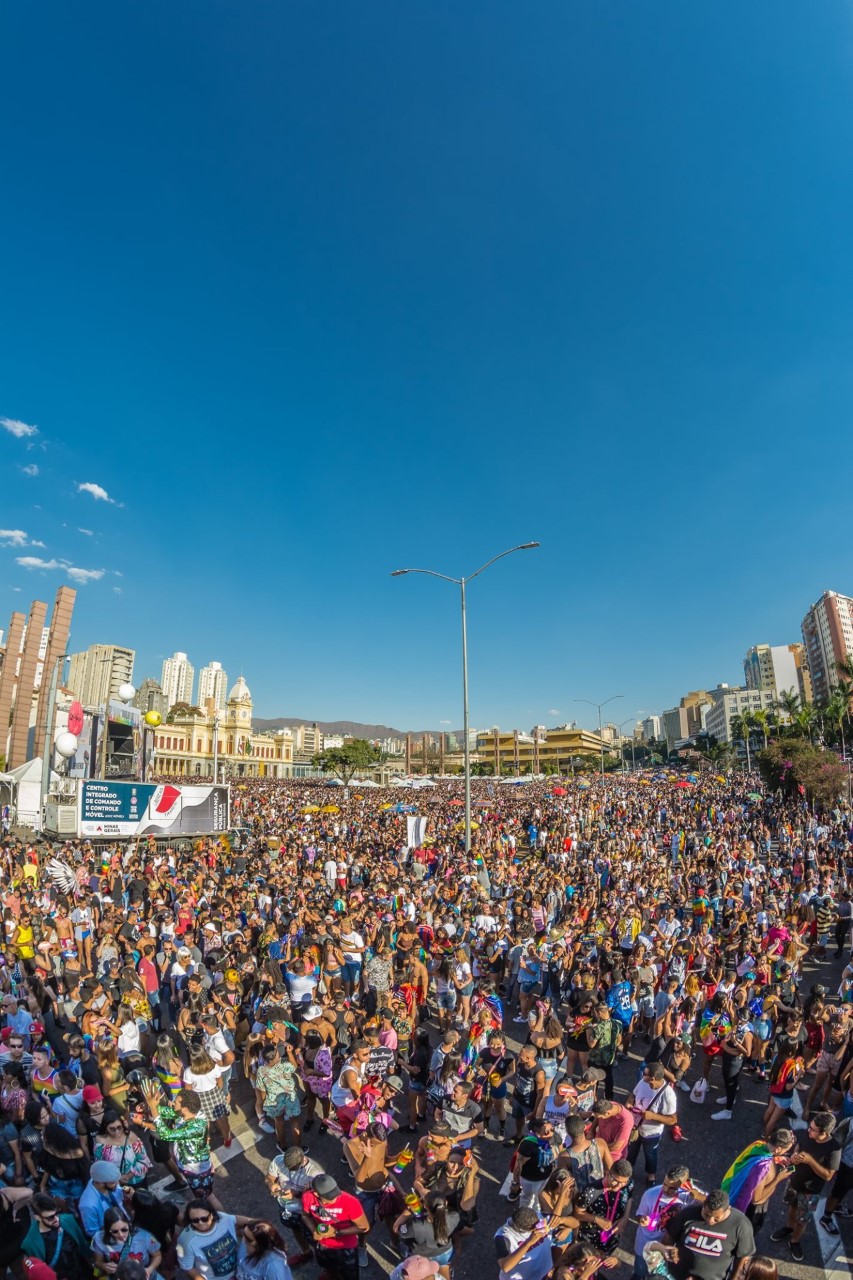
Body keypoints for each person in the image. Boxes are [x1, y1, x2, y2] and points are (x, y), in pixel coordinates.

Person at [771, 1111, 842, 1260]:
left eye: (813, 1129)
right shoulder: (807, 1134)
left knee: (802, 1220)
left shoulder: (834, 1149)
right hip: (794, 1182)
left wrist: (810, 1161)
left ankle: (795, 1241)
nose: (808, 1130)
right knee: (792, 1206)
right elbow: (798, 1147)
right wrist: (794, 1156)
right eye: (810, 1127)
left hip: (810, 1191)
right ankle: (788, 1228)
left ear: (824, 1132)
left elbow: (828, 1175)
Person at [664, 1188, 755, 1280]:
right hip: (677, 1276)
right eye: (706, 1214)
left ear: (728, 1209)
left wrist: (734, 1278)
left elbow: (744, 1257)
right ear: (703, 1204)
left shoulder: (740, 1224)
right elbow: (669, 1237)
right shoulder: (687, 1214)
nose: (710, 1220)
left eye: (716, 1218)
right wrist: (664, 1258)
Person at [300, 1173, 369, 1280]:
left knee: (350, 1276)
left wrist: (336, 1232)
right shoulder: (308, 1197)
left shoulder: (350, 1202)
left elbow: (364, 1227)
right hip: (323, 1245)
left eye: (335, 1193)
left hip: (346, 1246)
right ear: (316, 1194)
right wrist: (314, 1231)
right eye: (329, 1197)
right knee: (329, 1269)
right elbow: (305, 1216)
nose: (335, 1198)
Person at [177, 1198, 260, 1280]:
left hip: (242, 1271)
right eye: (195, 1220)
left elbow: (251, 1222)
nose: (200, 1223)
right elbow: (188, 1268)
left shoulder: (223, 1219)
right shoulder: (185, 1240)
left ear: (212, 1215)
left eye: (204, 1219)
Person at [20, 1192, 92, 1280]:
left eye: (57, 1213)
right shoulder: (30, 1243)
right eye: (50, 1217)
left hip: (84, 1273)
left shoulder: (68, 1220)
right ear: (37, 1218)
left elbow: (83, 1244)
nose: (56, 1219)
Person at [627, 1062, 678, 1185]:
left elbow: (673, 1119)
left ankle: (651, 1176)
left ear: (653, 1078)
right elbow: (633, 1094)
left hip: (651, 1133)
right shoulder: (643, 1082)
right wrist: (629, 1102)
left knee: (650, 1154)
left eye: (645, 1074)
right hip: (636, 1127)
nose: (643, 1075)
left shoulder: (668, 1095)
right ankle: (627, 1172)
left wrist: (653, 1116)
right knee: (631, 1151)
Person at [92, 1205, 163, 1279]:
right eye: (115, 1231)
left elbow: (157, 1256)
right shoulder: (99, 1239)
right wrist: (104, 1266)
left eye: (124, 1229)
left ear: (129, 1224)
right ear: (108, 1230)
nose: (121, 1235)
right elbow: (97, 1262)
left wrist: (149, 1270)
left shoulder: (145, 1236)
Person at [494, 1206, 553, 1280]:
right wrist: (528, 1243)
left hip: (545, 1273)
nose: (538, 1227)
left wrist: (563, 1224)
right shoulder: (503, 1236)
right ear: (521, 1230)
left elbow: (569, 1221)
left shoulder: (540, 1217)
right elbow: (505, 1267)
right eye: (535, 1227)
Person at [78, 1159, 129, 1237]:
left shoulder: (100, 1179)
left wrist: (126, 1191)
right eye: (113, 1182)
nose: (117, 1184)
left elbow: (118, 1191)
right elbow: (93, 1232)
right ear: (101, 1183)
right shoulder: (88, 1205)